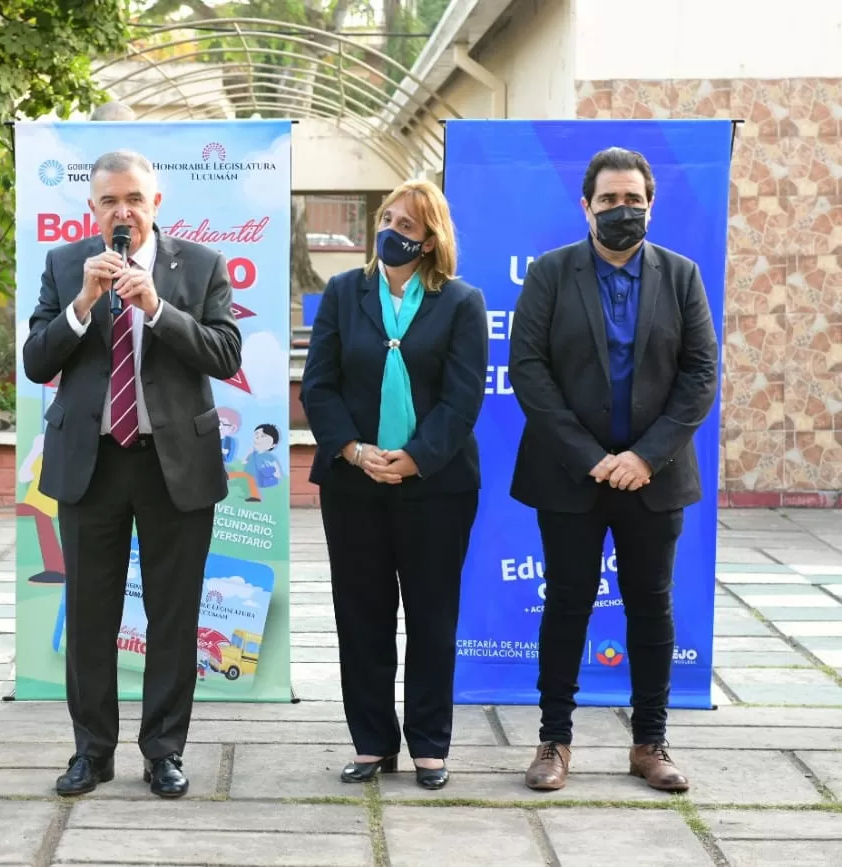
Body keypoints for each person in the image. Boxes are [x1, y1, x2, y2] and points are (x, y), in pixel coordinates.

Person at [21, 149, 242, 798]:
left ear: (156, 204)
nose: (124, 212)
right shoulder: (67, 267)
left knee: (173, 616)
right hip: (91, 464)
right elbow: (38, 360)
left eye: (134, 200)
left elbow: (225, 353)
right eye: (110, 202)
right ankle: (91, 753)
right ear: (92, 211)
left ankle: (164, 752)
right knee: (91, 615)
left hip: (174, 464)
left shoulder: (198, 266)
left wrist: (158, 310)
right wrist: (81, 305)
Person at [509, 147, 718, 794]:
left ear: (651, 205)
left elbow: (700, 372)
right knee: (567, 603)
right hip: (570, 472)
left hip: (653, 475)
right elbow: (529, 369)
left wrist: (643, 456)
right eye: (609, 200)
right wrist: (592, 456)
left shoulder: (682, 276)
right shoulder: (550, 273)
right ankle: (554, 741)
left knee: (651, 605)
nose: (621, 211)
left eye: (634, 200)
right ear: (586, 206)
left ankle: (650, 742)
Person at [300, 179, 488, 790]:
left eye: (407, 226)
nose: (392, 233)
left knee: (432, 618)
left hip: (435, 487)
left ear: (431, 240)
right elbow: (319, 385)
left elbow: (462, 401)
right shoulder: (342, 292)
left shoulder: (462, 302)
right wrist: (354, 451)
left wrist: (413, 458)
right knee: (362, 617)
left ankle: (430, 746)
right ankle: (372, 742)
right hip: (353, 483)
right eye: (387, 219)